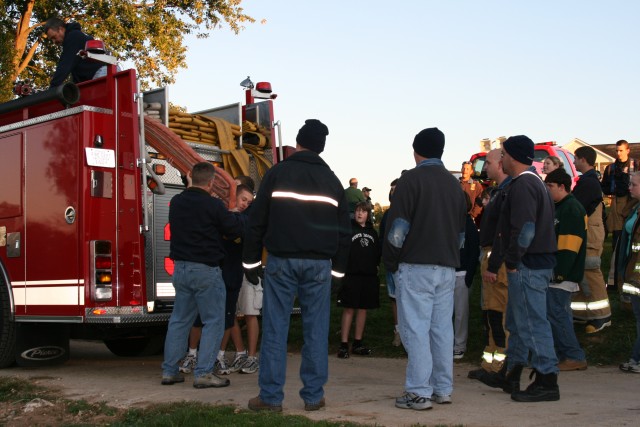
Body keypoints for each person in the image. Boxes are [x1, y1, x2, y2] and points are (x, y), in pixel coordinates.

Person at [242, 119, 351, 412]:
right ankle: (313, 396)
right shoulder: (332, 181)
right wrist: (338, 273)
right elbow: (344, 233)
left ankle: (270, 397)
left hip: (281, 262)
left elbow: (256, 222)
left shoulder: (278, 173)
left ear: (298, 142)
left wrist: (250, 263)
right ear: (321, 148)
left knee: (276, 329)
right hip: (319, 266)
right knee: (316, 331)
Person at [383, 127, 466, 411]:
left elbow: (397, 229)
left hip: (416, 264)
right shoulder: (454, 185)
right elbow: (461, 234)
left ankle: (418, 392)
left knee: (415, 329)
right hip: (447, 266)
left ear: (416, 150)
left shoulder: (411, 179)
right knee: (441, 329)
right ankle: (442, 388)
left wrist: (390, 262)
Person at [482, 135, 559, 402]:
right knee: (517, 322)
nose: (500, 159)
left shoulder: (524, 185)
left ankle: (547, 380)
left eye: (502, 154)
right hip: (531, 263)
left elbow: (525, 230)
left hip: (529, 265)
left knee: (532, 323)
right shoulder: (527, 182)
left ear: (512, 157)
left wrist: (512, 262)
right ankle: (512, 373)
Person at [161, 161, 243, 388]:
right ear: (211, 183)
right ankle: (204, 373)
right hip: (206, 270)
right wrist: (234, 214)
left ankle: (169, 371)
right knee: (214, 321)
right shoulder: (213, 205)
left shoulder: (177, 202)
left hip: (181, 269)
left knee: (179, 321)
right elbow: (234, 229)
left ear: (190, 178)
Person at [469, 149, 511, 383]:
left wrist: (494, 265)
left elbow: (505, 233)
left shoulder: (507, 192)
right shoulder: (498, 192)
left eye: (489, 162)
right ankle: (489, 365)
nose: (485, 167)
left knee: (500, 317)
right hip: (490, 258)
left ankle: (502, 367)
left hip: (498, 262)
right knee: (490, 315)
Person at [544, 169, 588, 371]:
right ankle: (565, 355)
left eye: (550, 186)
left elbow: (569, 247)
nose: (547, 189)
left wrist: (559, 273)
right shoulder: (560, 207)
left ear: (562, 186)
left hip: (562, 274)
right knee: (559, 314)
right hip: (557, 273)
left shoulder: (571, 209)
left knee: (557, 314)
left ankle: (573, 355)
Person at [571, 146, 612, 333]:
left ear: (584, 160)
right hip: (586, 235)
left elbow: (577, 207)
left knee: (591, 274)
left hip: (591, 237)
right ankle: (582, 314)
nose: (573, 162)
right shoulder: (587, 181)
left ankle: (602, 316)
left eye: (575, 158)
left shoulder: (589, 183)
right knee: (581, 274)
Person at [337, 201, 381, 358]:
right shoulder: (349, 229)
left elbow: (377, 253)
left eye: (363, 211)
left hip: (368, 276)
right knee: (349, 308)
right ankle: (343, 344)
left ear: (368, 214)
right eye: (357, 211)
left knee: (363, 309)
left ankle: (357, 342)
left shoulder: (373, 232)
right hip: (351, 275)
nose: (359, 213)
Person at [602, 140, 639, 289]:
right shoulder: (610, 168)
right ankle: (615, 280)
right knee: (617, 241)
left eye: (621, 150)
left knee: (633, 241)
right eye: (617, 151)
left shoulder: (635, 165)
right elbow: (605, 186)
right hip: (616, 204)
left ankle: (631, 278)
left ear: (628, 151)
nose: (619, 153)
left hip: (633, 204)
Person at [616, 172, 640, 374]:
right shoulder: (634, 207)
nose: (629, 188)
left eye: (634, 184)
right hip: (632, 271)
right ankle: (636, 357)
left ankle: (637, 358)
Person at [453, 193, 480, 360]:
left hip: (462, 274)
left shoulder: (468, 224)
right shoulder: (446, 222)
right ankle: (444, 343)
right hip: (447, 273)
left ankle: (459, 344)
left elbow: (473, 251)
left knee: (461, 313)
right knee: (444, 312)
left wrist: (469, 275)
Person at [44, 17, 105, 87]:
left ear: (61, 29)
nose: (54, 41)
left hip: (101, 73)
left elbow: (65, 65)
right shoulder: (74, 39)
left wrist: (52, 89)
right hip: (96, 75)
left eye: (54, 37)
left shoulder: (73, 37)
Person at [379, 178, 402, 347]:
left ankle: (410, 334)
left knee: (408, 300)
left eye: (396, 189)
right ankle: (398, 331)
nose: (393, 192)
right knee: (394, 298)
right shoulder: (387, 214)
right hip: (390, 263)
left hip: (406, 263)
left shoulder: (409, 211)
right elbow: (382, 239)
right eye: (392, 189)